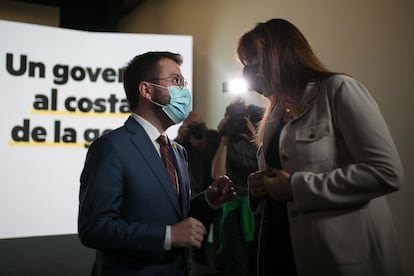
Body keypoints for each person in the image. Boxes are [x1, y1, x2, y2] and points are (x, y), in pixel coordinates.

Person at [237, 18, 404, 276]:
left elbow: (386, 172)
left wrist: (295, 187)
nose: (249, 72)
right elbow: (279, 175)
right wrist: (259, 187)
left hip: (339, 256)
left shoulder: (338, 90)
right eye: (245, 64)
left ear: (283, 52)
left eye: (254, 61)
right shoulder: (274, 113)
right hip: (280, 248)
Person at [78, 51, 236, 276]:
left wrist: (208, 201)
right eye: (175, 81)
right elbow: (94, 228)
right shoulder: (111, 147)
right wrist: (168, 236)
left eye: (183, 82)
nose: (184, 91)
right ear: (146, 90)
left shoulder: (176, 151)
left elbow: (172, 214)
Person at [211, 98, 262, 276]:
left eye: (242, 118)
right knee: (237, 263)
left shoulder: (258, 140)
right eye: (234, 119)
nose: (238, 123)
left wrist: (253, 137)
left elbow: (269, 166)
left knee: (259, 261)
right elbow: (218, 174)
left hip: (258, 208)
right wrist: (224, 139)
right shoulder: (227, 142)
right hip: (234, 207)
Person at [175, 110, 221, 265]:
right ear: (184, 126)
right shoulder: (181, 142)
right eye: (191, 126)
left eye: (198, 125)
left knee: (219, 238)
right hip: (192, 196)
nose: (195, 129)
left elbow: (218, 162)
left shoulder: (213, 137)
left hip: (215, 195)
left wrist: (203, 145)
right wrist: (180, 140)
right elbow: (172, 162)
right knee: (194, 240)